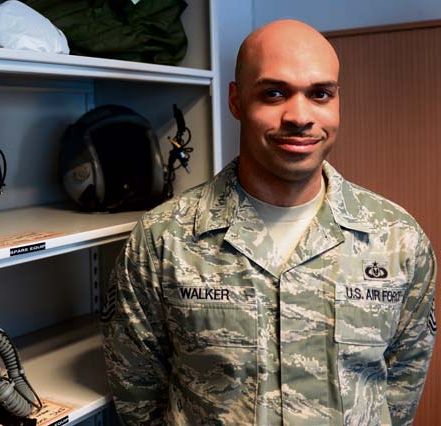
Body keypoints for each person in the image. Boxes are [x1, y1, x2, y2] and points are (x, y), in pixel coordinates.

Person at [100, 19, 437, 426]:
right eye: (274, 93)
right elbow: (138, 393)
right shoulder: (163, 240)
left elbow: (400, 386)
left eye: (320, 94)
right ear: (237, 101)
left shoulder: (397, 239)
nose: (299, 116)